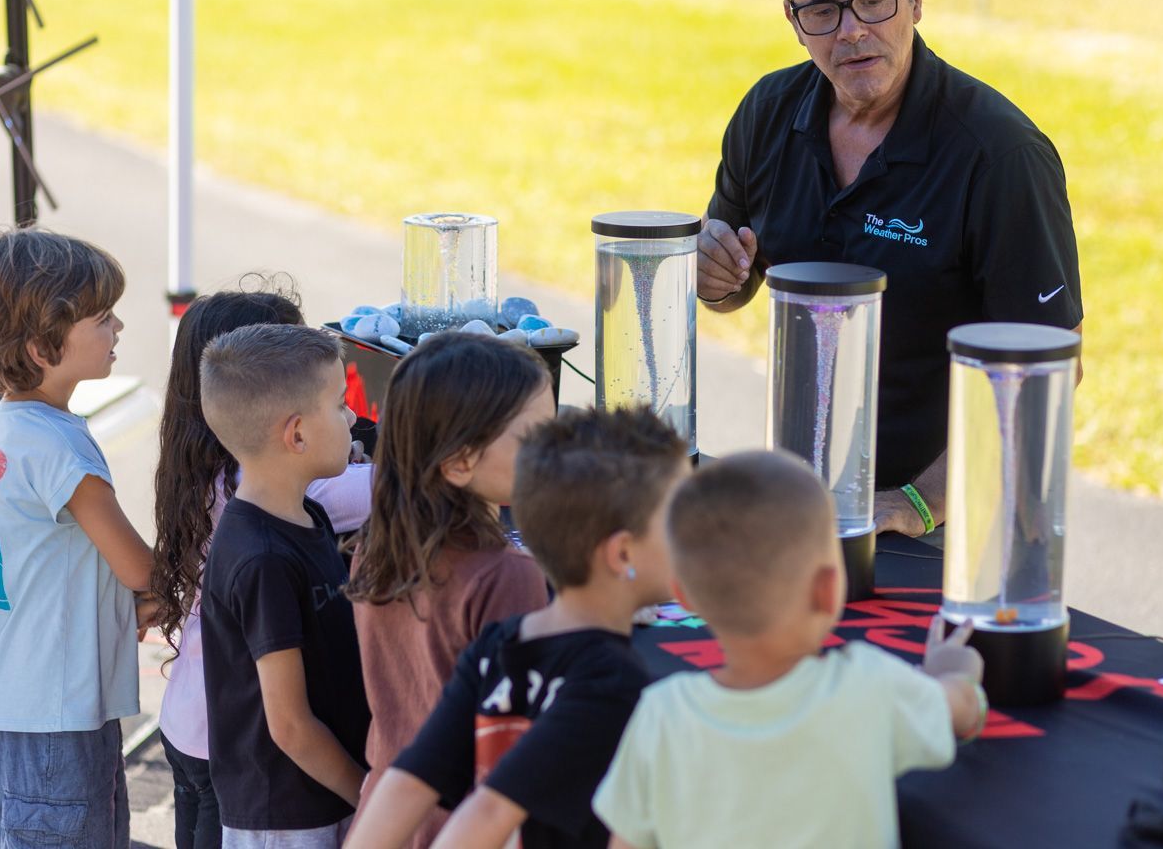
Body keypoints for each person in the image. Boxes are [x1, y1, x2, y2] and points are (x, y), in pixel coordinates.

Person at [699, 0, 1084, 537]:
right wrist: (715, 277)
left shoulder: (998, 154)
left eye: (873, 0)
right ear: (795, 21)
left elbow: (1048, 369)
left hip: (958, 525)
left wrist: (917, 503)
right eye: (823, 10)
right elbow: (730, 282)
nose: (852, 30)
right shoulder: (767, 114)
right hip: (805, 506)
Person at [594, 450, 987, 848]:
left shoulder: (660, 716)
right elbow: (964, 711)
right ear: (830, 588)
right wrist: (953, 670)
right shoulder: (871, 687)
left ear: (684, 597)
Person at [342, 406, 689, 849]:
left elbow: (409, 782)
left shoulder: (500, 644)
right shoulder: (614, 681)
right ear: (622, 555)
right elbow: (490, 810)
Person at [0, 226, 157, 848]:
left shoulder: (19, 426)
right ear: (44, 346)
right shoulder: (60, 448)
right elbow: (141, 569)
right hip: (56, 720)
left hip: (33, 708)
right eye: (103, 317)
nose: (118, 327)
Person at [152, 285, 375, 849]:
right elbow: (292, 726)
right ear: (294, 431)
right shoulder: (267, 547)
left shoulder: (283, 502)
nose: (351, 414)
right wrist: (371, 796)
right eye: (338, 403)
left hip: (202, 732)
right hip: (268, 787)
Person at [347, 332, 554, 846]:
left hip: (387, 816)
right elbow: (514, 746)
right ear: (459, 461)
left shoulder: (379, 546)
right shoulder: (507, 577)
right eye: (534, 439)